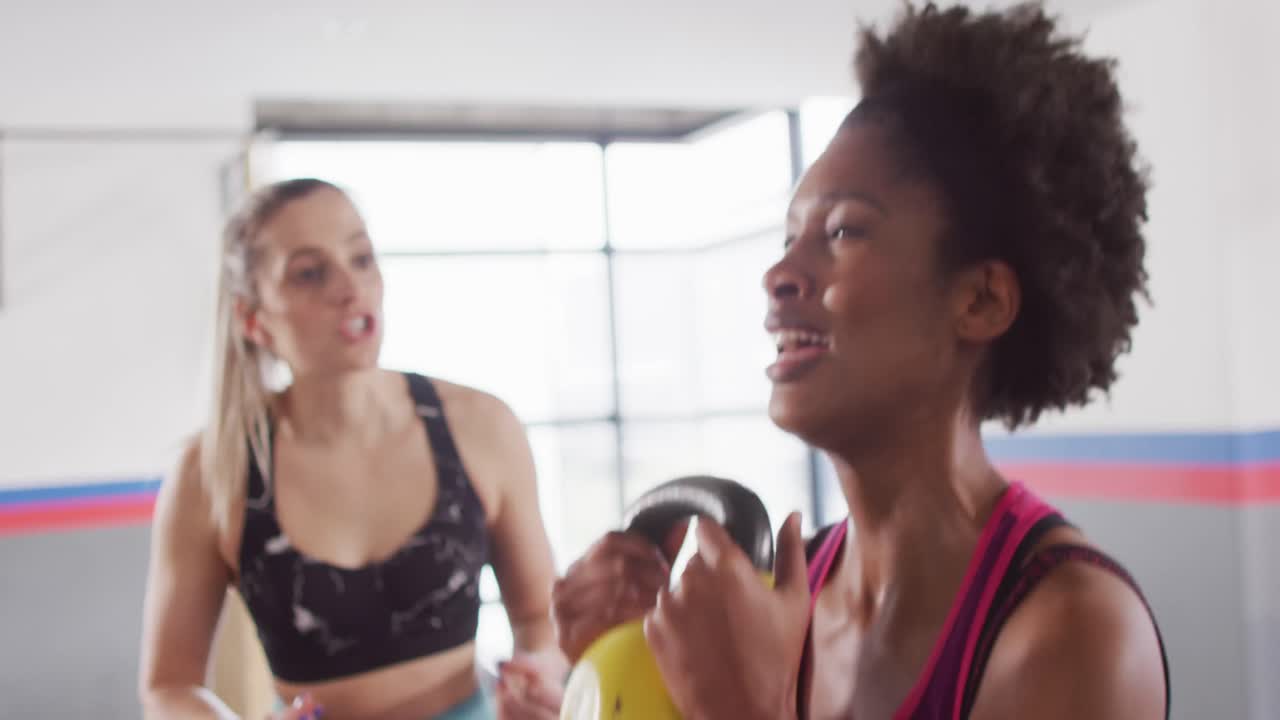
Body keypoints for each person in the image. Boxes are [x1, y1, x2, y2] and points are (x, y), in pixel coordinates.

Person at [548, 3, 1170, 718]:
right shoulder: (782, 600)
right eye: (789, 234)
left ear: (980, 301)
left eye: (843, 230)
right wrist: (609, 680)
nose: (780, 272)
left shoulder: (1073, 632)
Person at [138, 178, 567, 720]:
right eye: (310, 273)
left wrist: (541, 676)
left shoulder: (481, 427)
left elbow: (538, 617)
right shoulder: (212, 471)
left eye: (361, 258)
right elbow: (169, 685)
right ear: (254, 319)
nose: (350, 287)